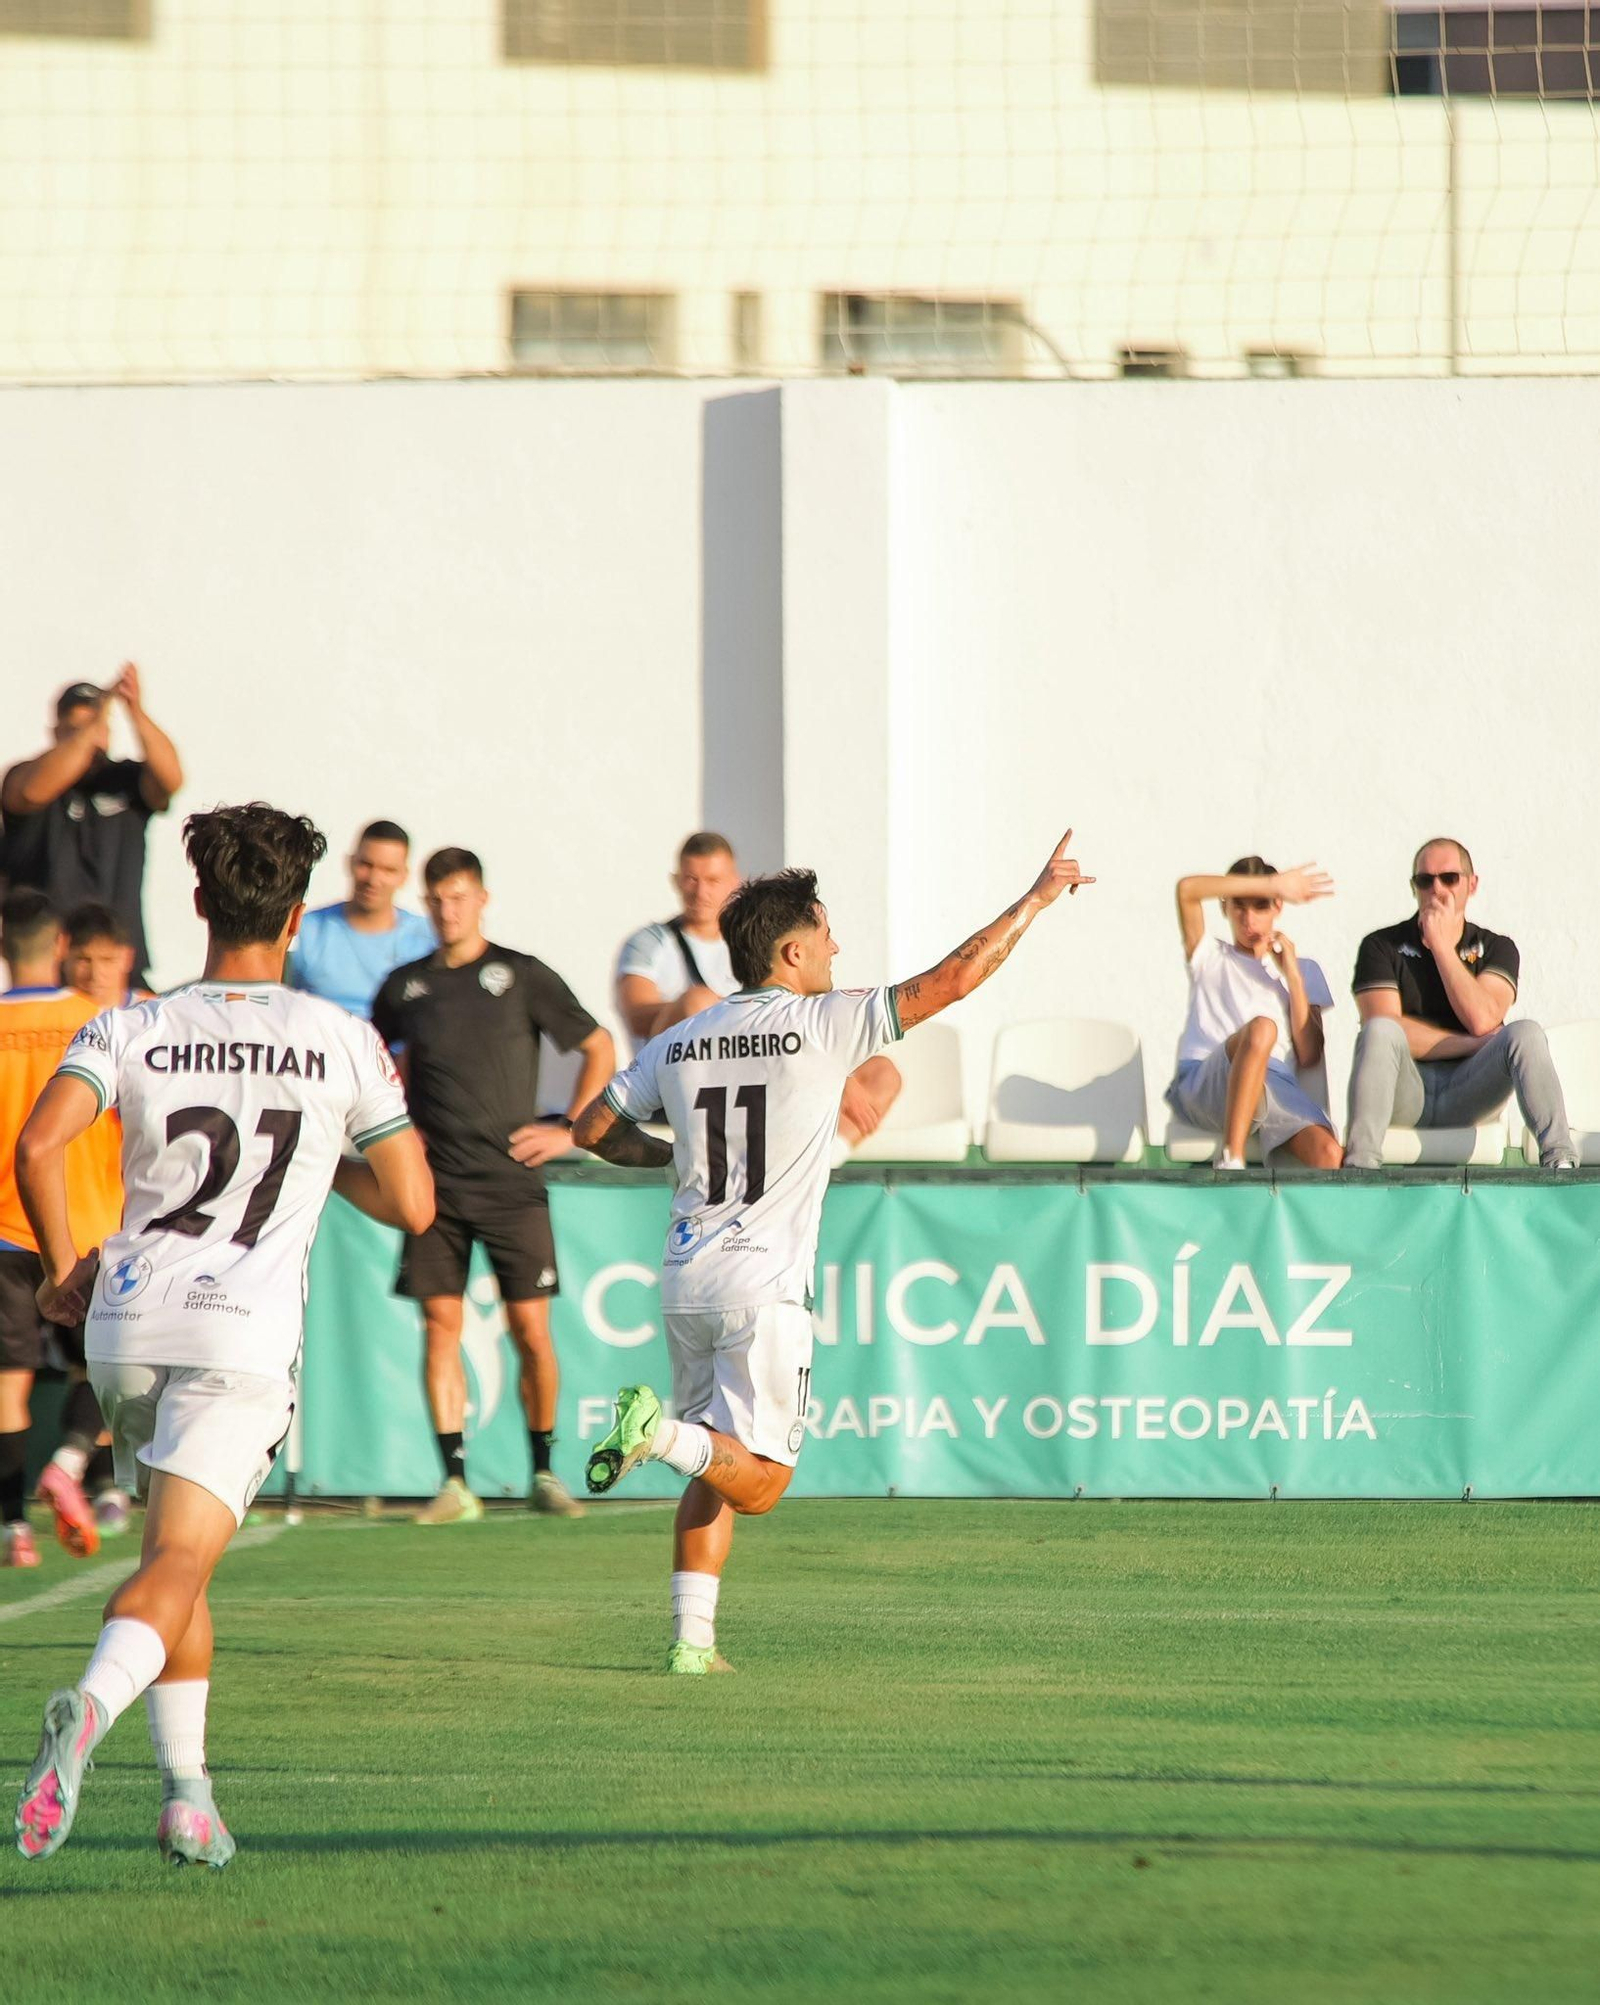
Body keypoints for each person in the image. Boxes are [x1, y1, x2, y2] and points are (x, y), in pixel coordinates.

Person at [13, 801, 433, 1869]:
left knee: (172, 1557)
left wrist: (66, 1263)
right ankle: (90, 1713)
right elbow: (415, 1202)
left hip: (128, 1318)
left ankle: (188, 1795)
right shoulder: (341, 1038)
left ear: (199, 903)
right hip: (237, 1334)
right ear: (295, 918)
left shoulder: (131, 1021)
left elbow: (40, 1143)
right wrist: (313, 1168)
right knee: (181, 1561)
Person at [576, 829, 1094, 1673]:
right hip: (764, 1285)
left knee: (721, 1464)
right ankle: (657, 1435)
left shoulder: (683, 1037)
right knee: (765, 1480)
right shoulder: (821, 1021)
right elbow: (953, 979)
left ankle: (691, 1644)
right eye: (825, 934)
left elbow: (592, 1127)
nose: (837, 948)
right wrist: (1034, 900)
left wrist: (672, 1155)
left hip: (684, 1276)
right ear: (790, 950)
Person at [372, 847, 615, 1525]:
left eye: (459, 896)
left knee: (530, 1328)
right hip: (435, 1185)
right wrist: (393, 1134)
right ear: (425, 903)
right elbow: (372, 1062)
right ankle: (454, 1480)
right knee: (440, 1323)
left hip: (511, 1181)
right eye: (437, 898)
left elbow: (599, 1045)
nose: (448, 909)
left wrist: (572, 1129)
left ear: (481, 899)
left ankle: (543, 1469)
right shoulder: (404, 986)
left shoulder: (523, 975)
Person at [616, 830, 902, 1151]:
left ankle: (831, 1155)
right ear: (676, 881)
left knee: (882, 1072)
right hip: (688, 1078)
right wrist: (729, 1012)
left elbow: (796, 1011)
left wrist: (837, 1069)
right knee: (698, 1001)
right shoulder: (651, 942)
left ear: (737, 881)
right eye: (691, 880)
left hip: (761, 1070)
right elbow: (638, 1016)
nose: (700, 892)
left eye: (712, 880)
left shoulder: (754, 937)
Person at [0, 891, 122, 1569]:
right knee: (105, 1368)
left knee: (8, 1384)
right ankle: (73, 1466)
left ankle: (12, 1526)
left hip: (6, 1234)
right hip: (86, 1230)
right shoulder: (98, 1021)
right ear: (58, 947)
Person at [1345, 837, 1575, 1170]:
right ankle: (1360, 1168)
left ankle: (1560, 1162)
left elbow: (1482, 1018)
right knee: (1379, 1030)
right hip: (1406, 1090)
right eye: (1425, 880)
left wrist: (1440, 946)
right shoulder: (1381, 945)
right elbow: (1385, 1027)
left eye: (1449, 878)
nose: (1436, 889)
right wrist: (1472, 1044)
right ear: (1414, 887)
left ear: (1471, 884)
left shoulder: (1496, 947)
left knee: (1526, 1032)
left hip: (1469, 1089)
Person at [1, 666, 184, 988]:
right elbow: (29, 792)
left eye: (98, 725)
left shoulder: (126, 780)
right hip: (51, 972)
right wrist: (96, 720)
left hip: (119, 970)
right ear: (56, 732)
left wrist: (135, 711)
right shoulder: (28, 777)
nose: (90, 735)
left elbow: (171, 779)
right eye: (75, 728)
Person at [1167, 858, 1342, 1170]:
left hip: (1272, 1085)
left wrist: (1292, 977)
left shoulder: (1304, 969)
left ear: (1277, 907)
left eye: (1260, 906)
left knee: (1329, 1155)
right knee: (1262, 1028)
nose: (1249, 919)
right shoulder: (1210, 955)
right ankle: (1231, 1158)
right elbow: (1187, 890)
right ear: (1225, 908)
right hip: (1208, 1082)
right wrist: (1273, 885)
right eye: (1239, 906)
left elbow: (1309, 1054)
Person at [288, 819, 435, 1019]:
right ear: (349, 862)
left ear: (404, 876)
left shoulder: (427, 938)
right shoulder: (306, 929)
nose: (374, 880)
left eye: (388, 870)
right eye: (366, 865)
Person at [61, 901, 153, 1011]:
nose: (95, 974)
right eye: (84, 960)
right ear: (63, 956)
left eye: (107, 960)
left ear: (128, 958)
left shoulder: (154, 1015)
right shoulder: (48, 1017)